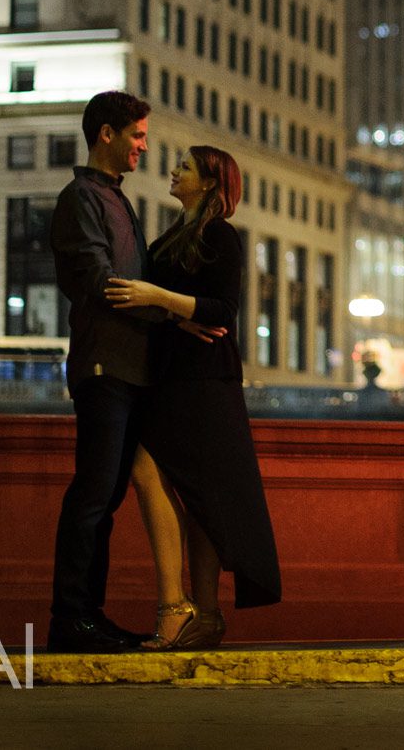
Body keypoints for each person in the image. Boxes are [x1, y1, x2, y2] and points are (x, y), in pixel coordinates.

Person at [105, 145, 281, 648]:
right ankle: (196, 611)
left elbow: (223, 310)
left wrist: (158, 297)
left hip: (205, 381)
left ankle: (184, 608)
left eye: (185, 166)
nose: (175, 170)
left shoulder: (220, 235)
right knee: (175, 483)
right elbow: (179, 310)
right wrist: (176, 312)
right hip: (172, 376)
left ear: (208, 182)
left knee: (170, 479)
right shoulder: (168, 240)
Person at [46, 90, 166, 653]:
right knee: (93, 496)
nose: (144, 145)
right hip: (103, 365)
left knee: (105, 498)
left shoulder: (113, 198)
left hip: (126, 366)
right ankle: (72, 619)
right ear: (106, 135)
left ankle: (86, 616)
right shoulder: (82, 198)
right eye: (136, 135)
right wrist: (169, 308)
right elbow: (98, 281)